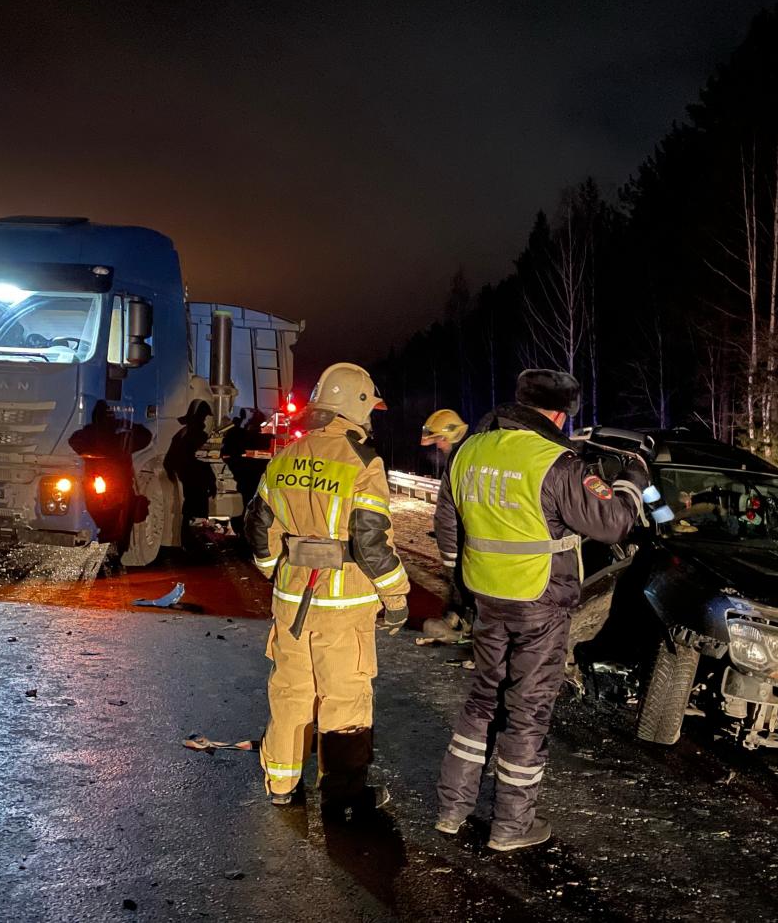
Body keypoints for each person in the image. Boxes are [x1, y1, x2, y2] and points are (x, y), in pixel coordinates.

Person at [433, 369, 647, 851]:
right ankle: (511, 825)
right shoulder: (557, 463)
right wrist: (633, 481)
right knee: (527, 710)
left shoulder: (470, 450)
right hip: (540, 601)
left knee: (483, 700)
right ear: (556, 414)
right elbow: (613, 524)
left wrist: (459, 587)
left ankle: (452, 808)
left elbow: (447, 525)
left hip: (486, 596)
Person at [246, 362, 411, 819]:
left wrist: (275, 571)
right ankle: (343, 794)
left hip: (291, 600)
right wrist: (396, 598)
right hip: (345, 606)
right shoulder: (362, 460)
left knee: (291, 691)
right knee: (344, 695)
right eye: (370, 408)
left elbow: (258, 528)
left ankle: (281, 782)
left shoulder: (285, 457)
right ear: (356, 406)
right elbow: (372, 540)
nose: (372, 418)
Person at [419, 409, 474, 642]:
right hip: (464, 541)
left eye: (440, 439)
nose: (438, 445)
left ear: (453, 435)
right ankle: (461, 621)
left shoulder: (461, 461)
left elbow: (450, 512)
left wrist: (450, 551)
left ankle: (466, 626)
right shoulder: (465, 458)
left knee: (464, 584)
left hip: (463, 543)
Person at [69, 400, 152, 552]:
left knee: (122, 516)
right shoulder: (95, 436)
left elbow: (145, 436)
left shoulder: (117, 437)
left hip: (117, 487)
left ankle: (116, 549)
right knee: (109, 517)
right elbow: (75, 441)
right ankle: (113, 549)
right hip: (105, 485)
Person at [163, 399, 216, 548]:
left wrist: (176, 474)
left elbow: (170, 460)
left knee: (189, 510)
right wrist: (212, 483)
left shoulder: (181, 434)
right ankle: (194, 542)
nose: (205, 420)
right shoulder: (199, 436)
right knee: (197, 511)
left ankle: (188, 540)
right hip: (197, 480)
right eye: (203, 416)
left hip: (188, 478)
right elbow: (206, 462)